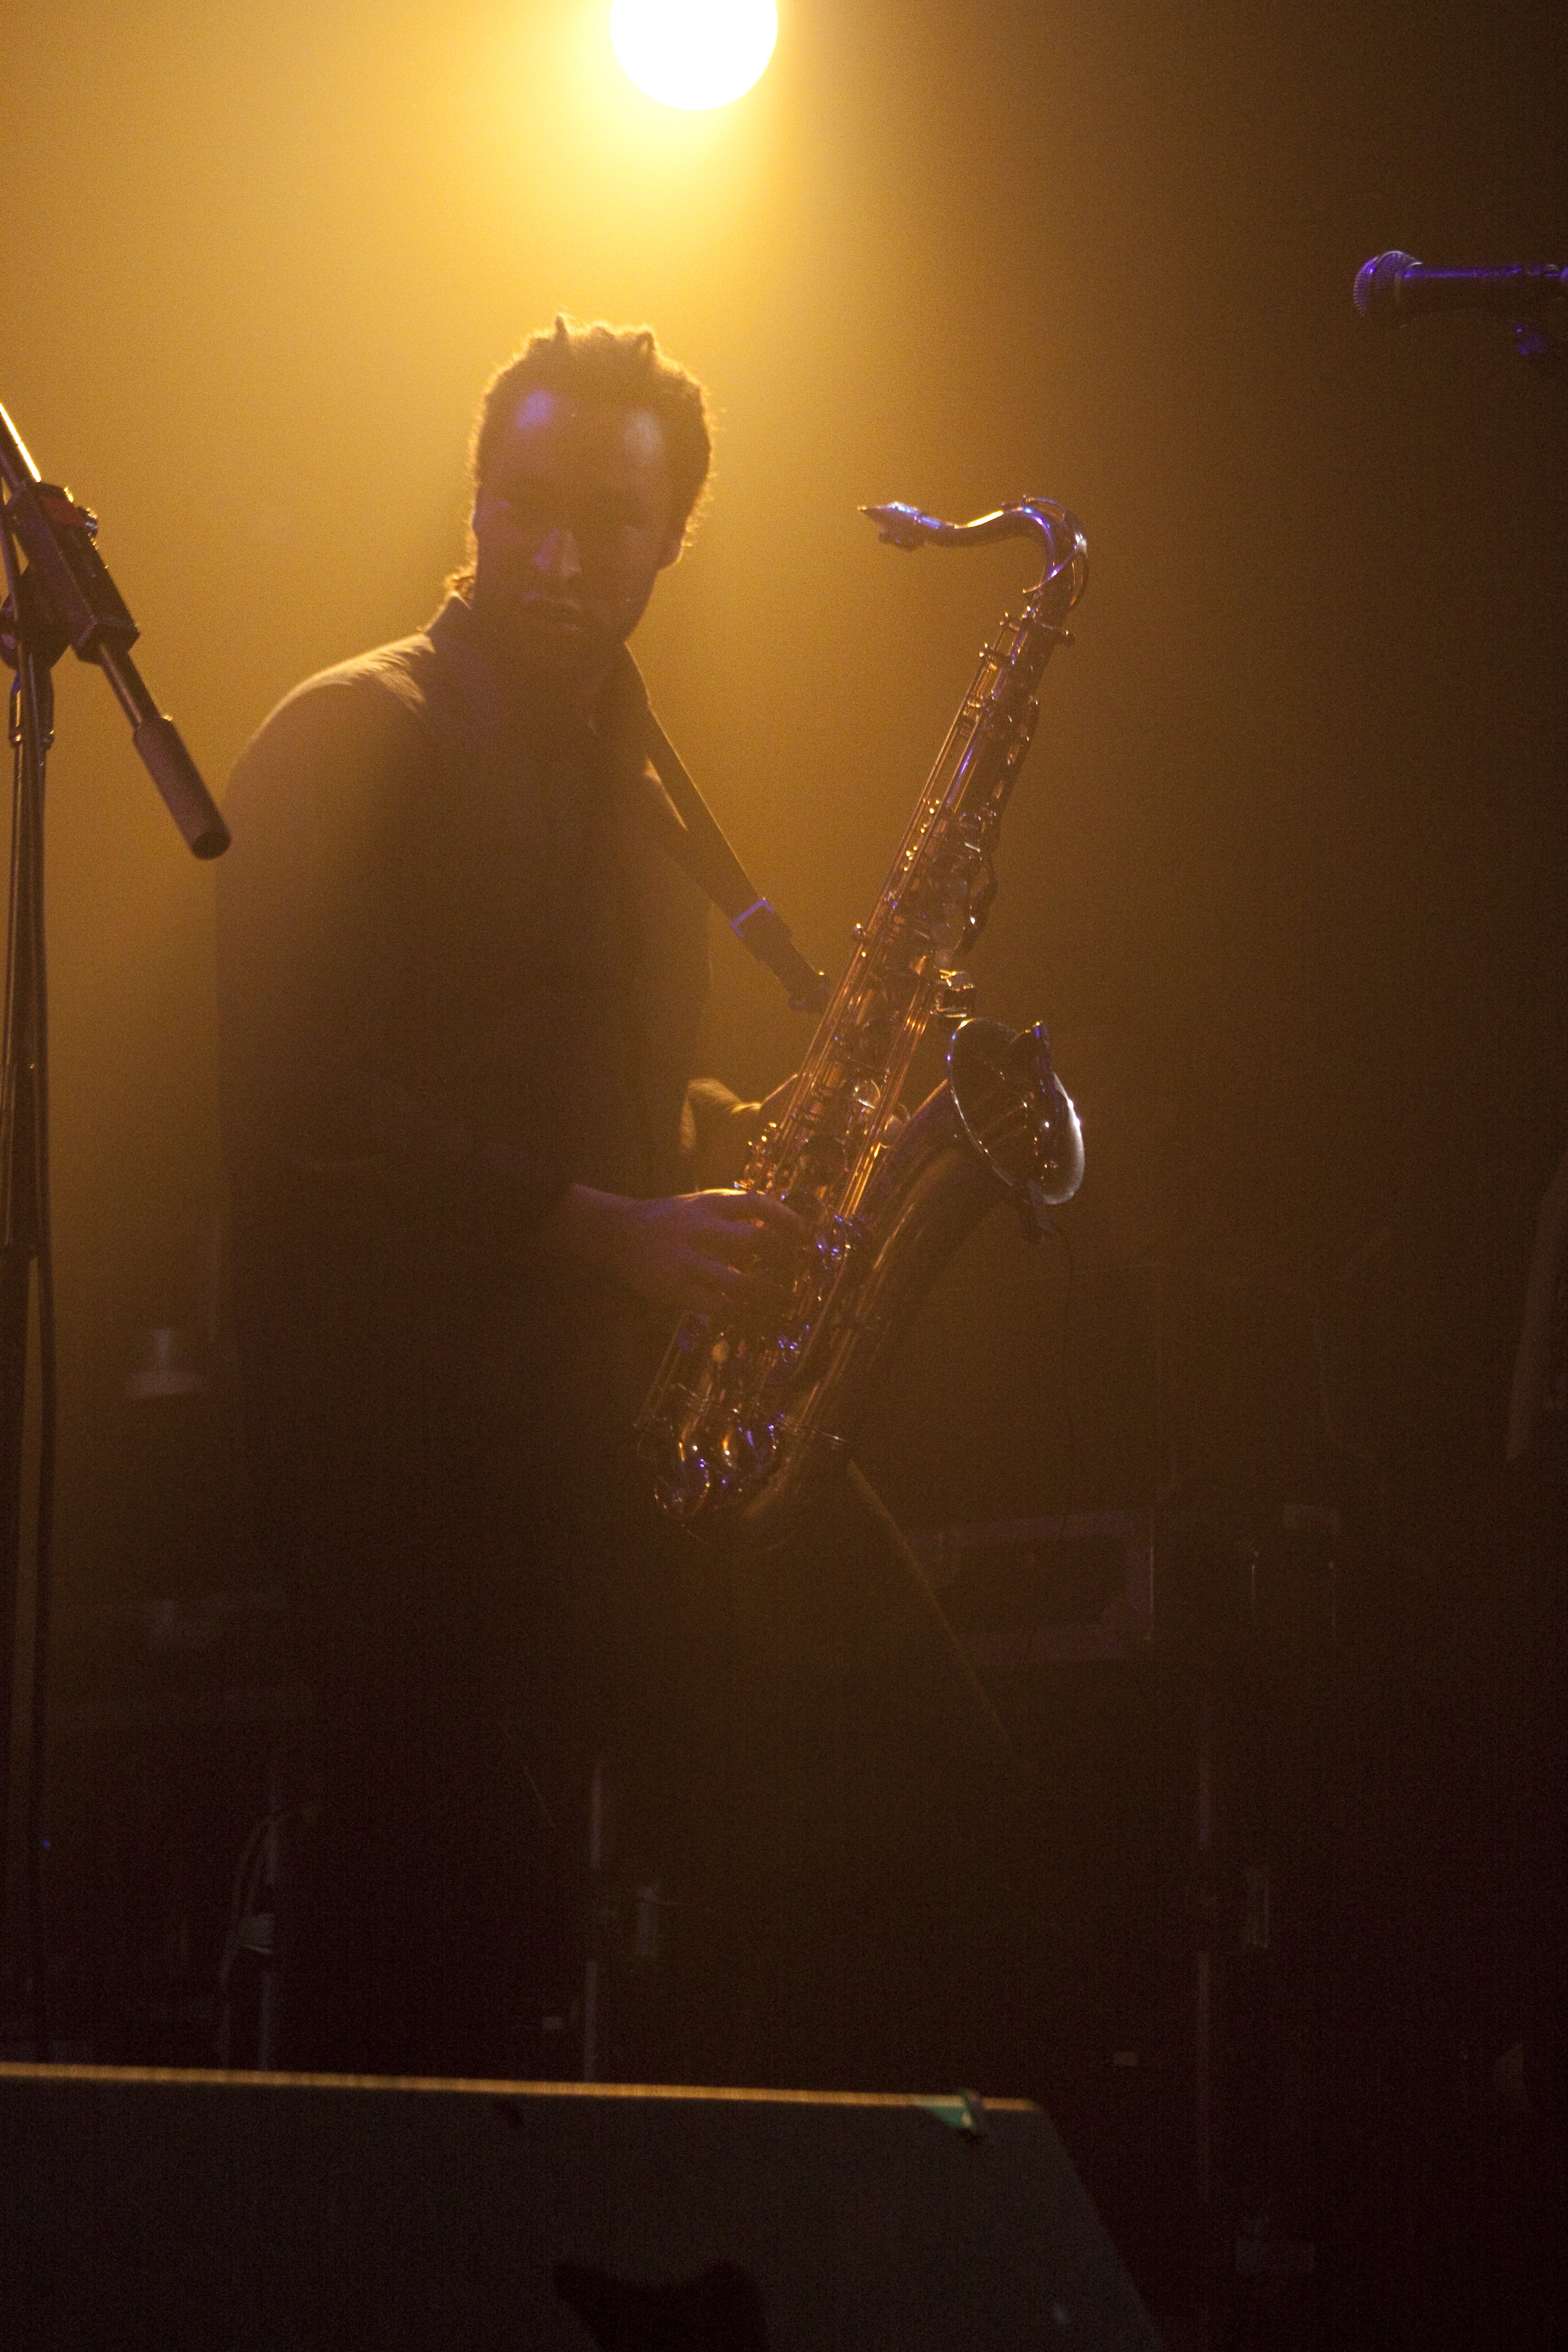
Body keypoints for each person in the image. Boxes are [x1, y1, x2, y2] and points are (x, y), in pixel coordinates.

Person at [219, 317, 1010, 2087]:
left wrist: (755, 1150)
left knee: (919, 1797)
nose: (561, 557)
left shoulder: (640, 786)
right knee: (444, 1946)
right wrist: (613, 1229)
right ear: (475, 502)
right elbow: (301, 1117)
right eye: (525, 506)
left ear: (673, 541)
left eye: (609, 522)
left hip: (610, 1426)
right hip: (415, 1459)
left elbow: (605, 1108)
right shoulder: (353, 737)